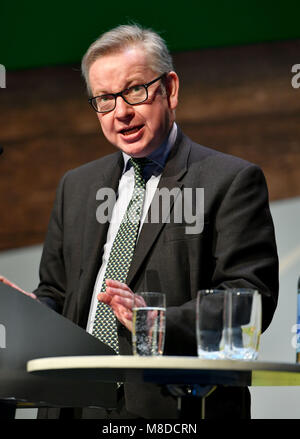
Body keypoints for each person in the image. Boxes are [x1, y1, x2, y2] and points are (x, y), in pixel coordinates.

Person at [31, 24, 278, 419]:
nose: (122, 112)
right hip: (75, 402)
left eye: (135, 90)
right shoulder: (75, 187)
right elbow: (55, 292)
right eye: (105, 99)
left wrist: (154, 323)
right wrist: (27, 312)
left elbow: (250, 301)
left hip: (175, 405)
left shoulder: (229, 181)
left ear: (170, 88)